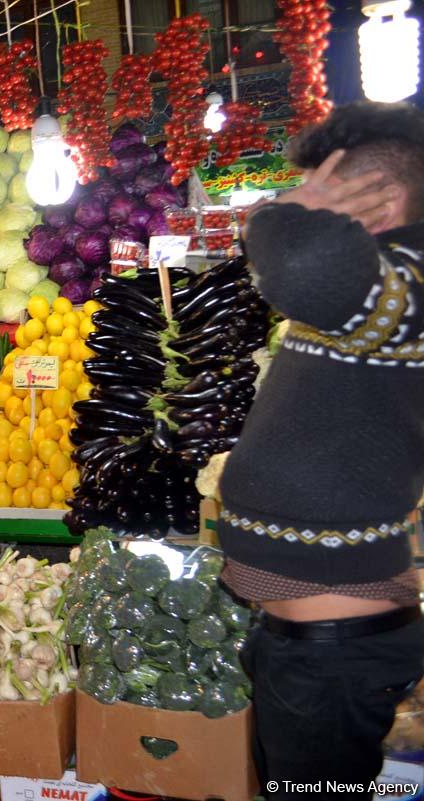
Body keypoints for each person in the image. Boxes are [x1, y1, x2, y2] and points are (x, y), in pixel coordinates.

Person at [219, 102, 424, 799]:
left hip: (335, 650)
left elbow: (304, 262)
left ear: (385, 200)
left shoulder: (407, 286)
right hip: (317, 642)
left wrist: (280, 212)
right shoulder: (385, 286)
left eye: (327, 196)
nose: (313, 210)